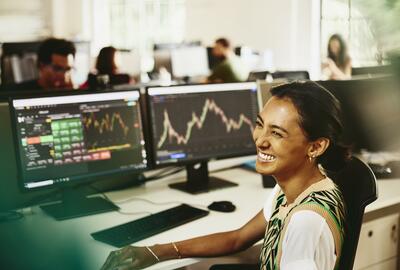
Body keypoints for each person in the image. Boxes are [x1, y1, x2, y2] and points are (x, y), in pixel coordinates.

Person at [101, 81, 349, 270]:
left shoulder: (305, 221)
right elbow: (238, 238)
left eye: (277, 133)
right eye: (260, 124)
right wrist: (156, 252)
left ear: (316, 147)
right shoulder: (294, 191)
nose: (260, 140)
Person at [8, 38, 76, 91]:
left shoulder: (70, 89)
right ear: (42, 66)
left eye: (68, 69)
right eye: (57, 68)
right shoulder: (17, 93)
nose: (63, 76)